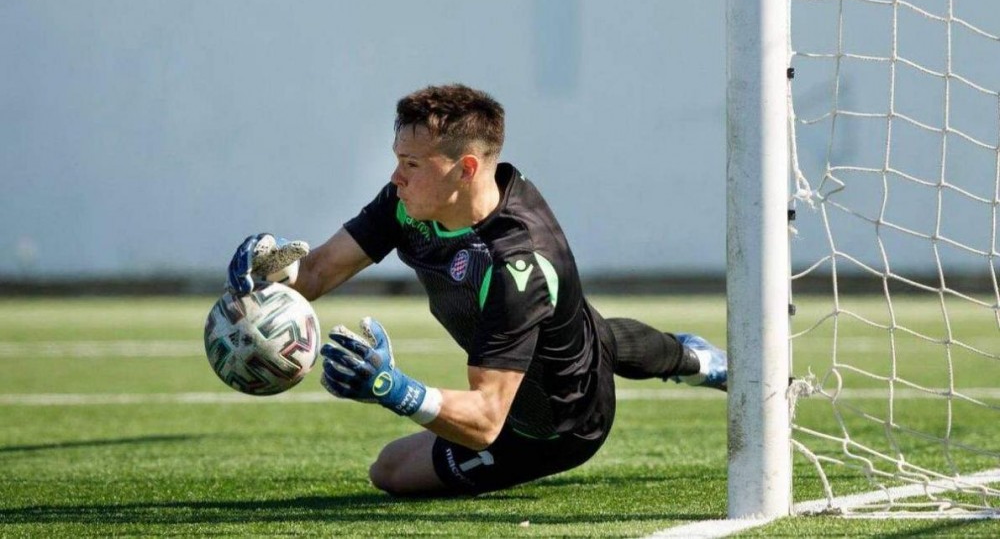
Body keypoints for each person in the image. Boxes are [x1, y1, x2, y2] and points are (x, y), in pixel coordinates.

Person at [226, 84, 727, 497]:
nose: (396, 177)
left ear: (465, 169)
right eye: (398, 159)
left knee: (389, 470)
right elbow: (316, 273)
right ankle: (693, 358)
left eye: (411, 164)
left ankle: (692, 359)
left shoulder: (517, 266)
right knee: (574, 329)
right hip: (554, 332)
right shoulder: (410, 201)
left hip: (553, 426)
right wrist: (271, 272)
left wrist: (391, 388)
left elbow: (486, 420)